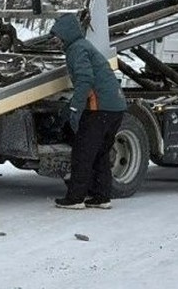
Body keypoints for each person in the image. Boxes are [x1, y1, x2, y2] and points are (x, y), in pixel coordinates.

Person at [49, 13, 127, 210]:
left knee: (83, 153)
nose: (55, 42)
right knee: (100, 153)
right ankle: (102, 196)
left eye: (57, 37)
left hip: (100, 108)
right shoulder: (83, 46)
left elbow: (85, 79)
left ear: (66, 34)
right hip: (116, 107)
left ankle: (75, 198)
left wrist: (74, 108)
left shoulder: (77, 49)